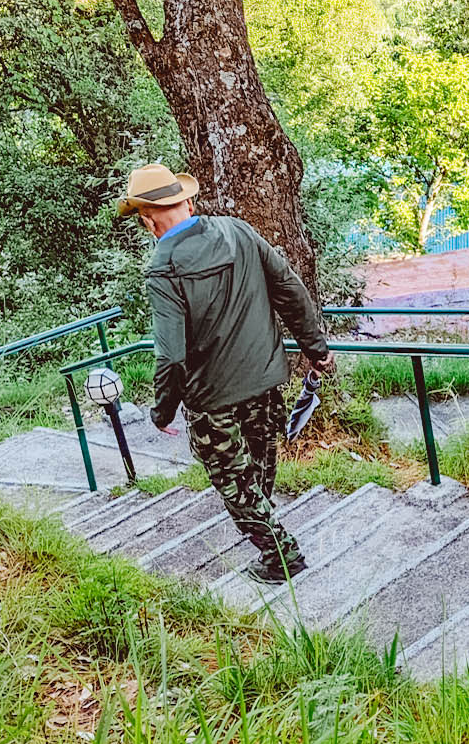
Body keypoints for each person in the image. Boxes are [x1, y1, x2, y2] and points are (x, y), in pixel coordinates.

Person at [117, 163, 333, 585]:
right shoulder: (237, 230)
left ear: (147, 220)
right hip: (268, 381)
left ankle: (280, 556)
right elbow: (289, 289)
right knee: (256, 472)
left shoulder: (162, 268)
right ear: (188, 201)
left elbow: (172, 357)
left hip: (213, 400)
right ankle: (266, 529)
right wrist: (316, 349)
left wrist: (162, 412)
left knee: (235, 484)